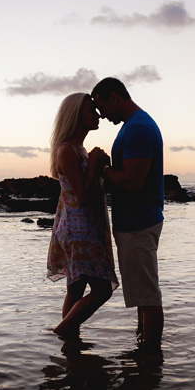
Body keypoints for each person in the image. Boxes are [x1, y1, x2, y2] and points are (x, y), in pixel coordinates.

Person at [90, 77, 164, 348]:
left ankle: (149, 358)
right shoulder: (135, 126)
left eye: (102, 106)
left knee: (147, 296)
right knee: (141, 295)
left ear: (114, 97)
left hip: (138, 223)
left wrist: (102, 170)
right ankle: (142, 351)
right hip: (136, 221)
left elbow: (133, 182)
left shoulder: (138, 129)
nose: (102, 114)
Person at [47, 93, 118, 336]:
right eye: (91, 110)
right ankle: (61, 333)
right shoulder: (67, 150)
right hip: (79, 230)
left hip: (82, 227)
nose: (97, 115)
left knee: (75, 290)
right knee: (102, 291)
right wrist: (96, 161)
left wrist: (99, 166)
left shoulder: (79, 149)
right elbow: (83, 194)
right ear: (76, 115)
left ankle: (70, 346)